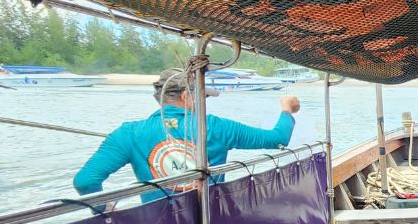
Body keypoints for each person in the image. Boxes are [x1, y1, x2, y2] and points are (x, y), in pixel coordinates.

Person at [73, 67, 298, 199]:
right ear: (186, 96)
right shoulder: (215, 127)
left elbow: (85, 182)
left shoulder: (128, 133)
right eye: (203, 96)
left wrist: (104, 211)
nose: (204, 101)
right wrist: (287, 108)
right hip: (209, 221)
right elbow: (277, 139)